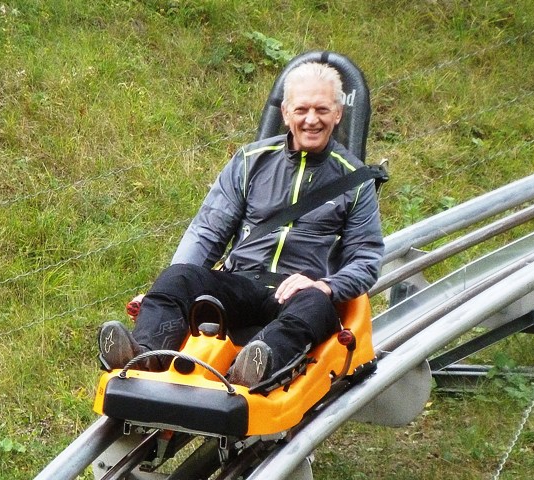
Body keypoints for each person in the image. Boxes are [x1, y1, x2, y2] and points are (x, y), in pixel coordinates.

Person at [98, 61, 384, 387]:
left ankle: (251, 368)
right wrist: (167, 287)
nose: (311, 119)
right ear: (286, 113)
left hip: (300, 295)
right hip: (241, 285)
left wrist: (326, 286)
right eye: (301, 109)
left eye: (322, 109)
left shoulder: (355, 181)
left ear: (338, 114)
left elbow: (366, 259)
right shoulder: (250, 161)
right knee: (178, 278)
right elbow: (208, 231)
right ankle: (144, 355)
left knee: (315, 305)